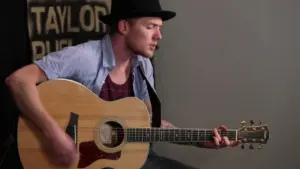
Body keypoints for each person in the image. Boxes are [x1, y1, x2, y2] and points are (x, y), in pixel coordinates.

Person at [5, 0, 240, 168]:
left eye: (160, 28)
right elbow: (18, 80)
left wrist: (202, 139)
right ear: (124, 27)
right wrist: (55, 134)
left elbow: (150, 124)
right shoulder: (85, 57)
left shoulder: (143, 65)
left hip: (127, 159)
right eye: (151, 27)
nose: (159, 36)